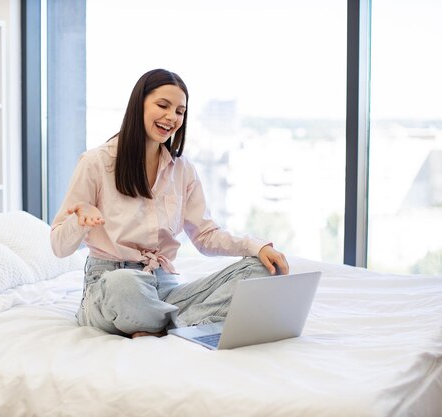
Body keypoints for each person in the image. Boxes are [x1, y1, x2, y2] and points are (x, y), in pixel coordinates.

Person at [50, 68, 289, 338]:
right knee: (125, 285)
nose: (171, 117)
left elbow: (206, 236)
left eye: (179, 111)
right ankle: (186, 323)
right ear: (138, 104)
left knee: (259, 271)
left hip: (163, 286)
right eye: (163, 105)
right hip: (110, 285)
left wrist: (255, 247)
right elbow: (58, 246)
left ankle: (157, 325)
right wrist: (80, 221)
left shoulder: (183, 170)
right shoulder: (97, 162)